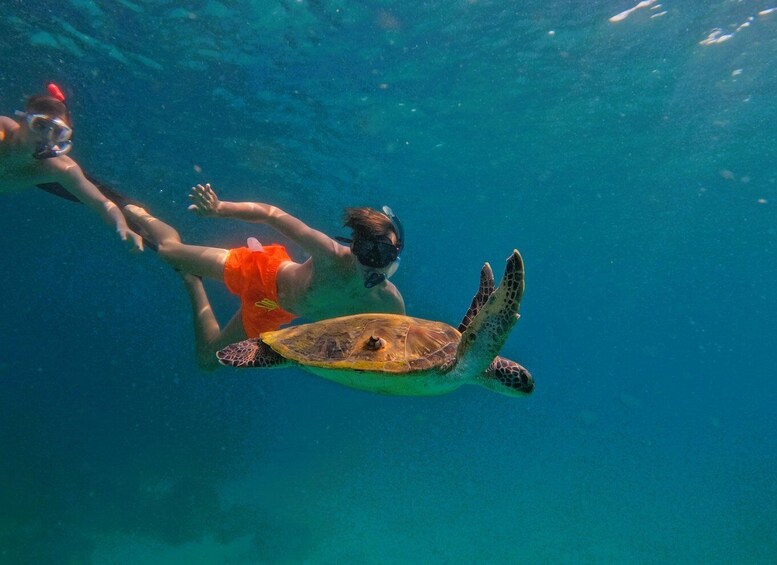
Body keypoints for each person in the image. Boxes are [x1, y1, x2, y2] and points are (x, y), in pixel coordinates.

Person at [124, 183, 405, 369]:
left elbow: (395, 345)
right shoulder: (330, 255)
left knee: (208, 361)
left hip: (272, 311)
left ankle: (191, 280)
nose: (374, 264)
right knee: (167, 250)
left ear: (396, 258)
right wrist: (220, 208)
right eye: (368, 251)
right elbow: (273, 214)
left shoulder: (388, 303)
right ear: (354, 246)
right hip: (260, 271)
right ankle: (141, 216)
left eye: (384, 255)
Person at [0, 83, 144, 252]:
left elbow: (102, 203)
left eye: (57, 132)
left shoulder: (59, 167)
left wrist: (122, 225)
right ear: (23, 120)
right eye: (40, 125)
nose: (46, 136)